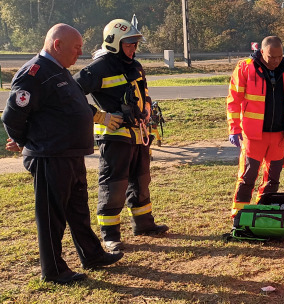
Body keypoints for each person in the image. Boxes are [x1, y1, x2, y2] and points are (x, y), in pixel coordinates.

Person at [2, 23, 124, 285]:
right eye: (76, 48)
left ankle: (91, 255)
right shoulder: (33, 74)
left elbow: (71, 104)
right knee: (51, 216)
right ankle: (54, 270)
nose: (79, 54)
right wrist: (27, 143)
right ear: (57, 45)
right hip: (50, 156)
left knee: (78, 210)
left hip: (70, 154)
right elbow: (13, 116)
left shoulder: (58, 70)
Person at [74, 18, 169, 252]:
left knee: (141, 179)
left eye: (135, 44)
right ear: (113, 43)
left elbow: (142, 91)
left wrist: (146, 105)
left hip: (138, 132)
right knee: (115, 184)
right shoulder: (98, 68)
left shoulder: (134, 65)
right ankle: (110, 235)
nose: (133, 48)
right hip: (114, 134)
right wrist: (98, 116)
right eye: (129, 44)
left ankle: (144, 224)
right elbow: (69, 92)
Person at [226, 36, 284, 216]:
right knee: (248, 176)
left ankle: (264, 211)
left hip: (278, 135)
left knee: (273, 178)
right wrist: (234, 128)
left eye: (279, 57)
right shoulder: (245, 68)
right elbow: (233, 101)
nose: (276, 61)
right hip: (253, 135)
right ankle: (239, 214)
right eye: (271, 57)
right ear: (262, 53)